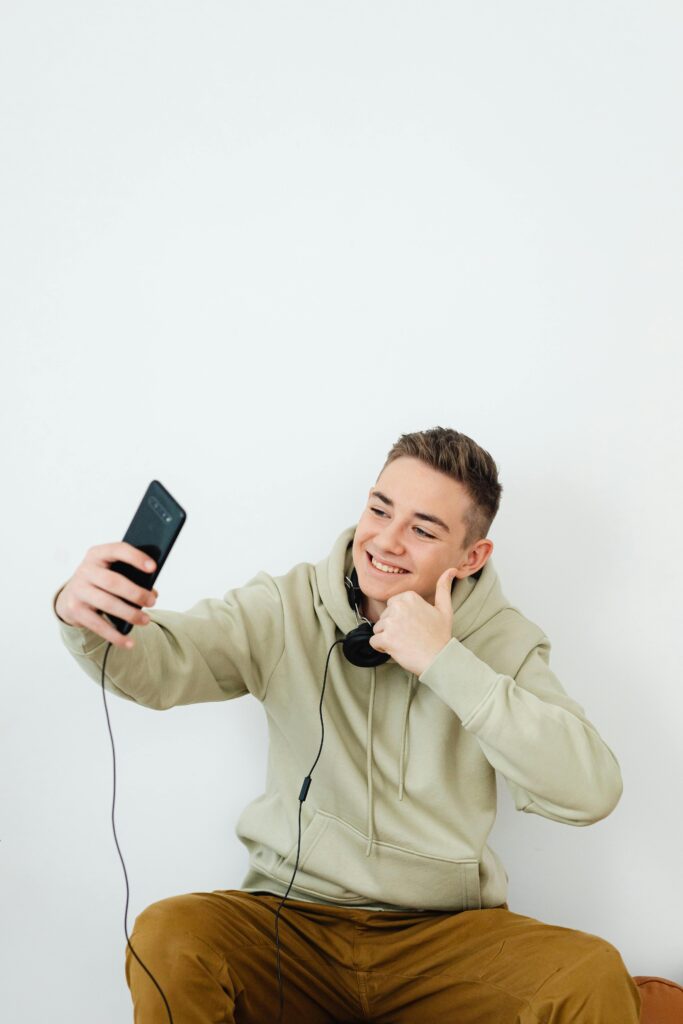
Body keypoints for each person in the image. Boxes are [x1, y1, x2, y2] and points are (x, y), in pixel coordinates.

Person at [52, 427, 641, 1023]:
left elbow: (589, 793)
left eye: (422, 529)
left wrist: (446, 664)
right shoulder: (287, 605)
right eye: (379, 509)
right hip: (292, 925)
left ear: (471, 557)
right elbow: (164, 665)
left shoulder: (503, 641)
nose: (385, 540)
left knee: (591, 974)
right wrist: (88, 615)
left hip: (445, 938)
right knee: (169, 936)